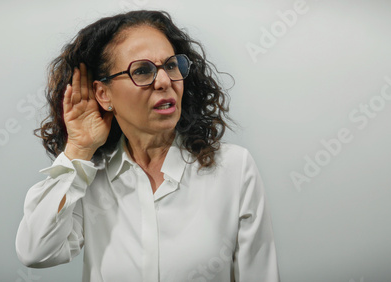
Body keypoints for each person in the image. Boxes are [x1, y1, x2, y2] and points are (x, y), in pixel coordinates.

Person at [15, 10, 280, 282]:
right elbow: (36, 252)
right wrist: (78, 150)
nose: (164, 81)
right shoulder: (89, 176)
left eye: (171, 66)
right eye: (142, 71)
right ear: (104, 94)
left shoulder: (234, 168)